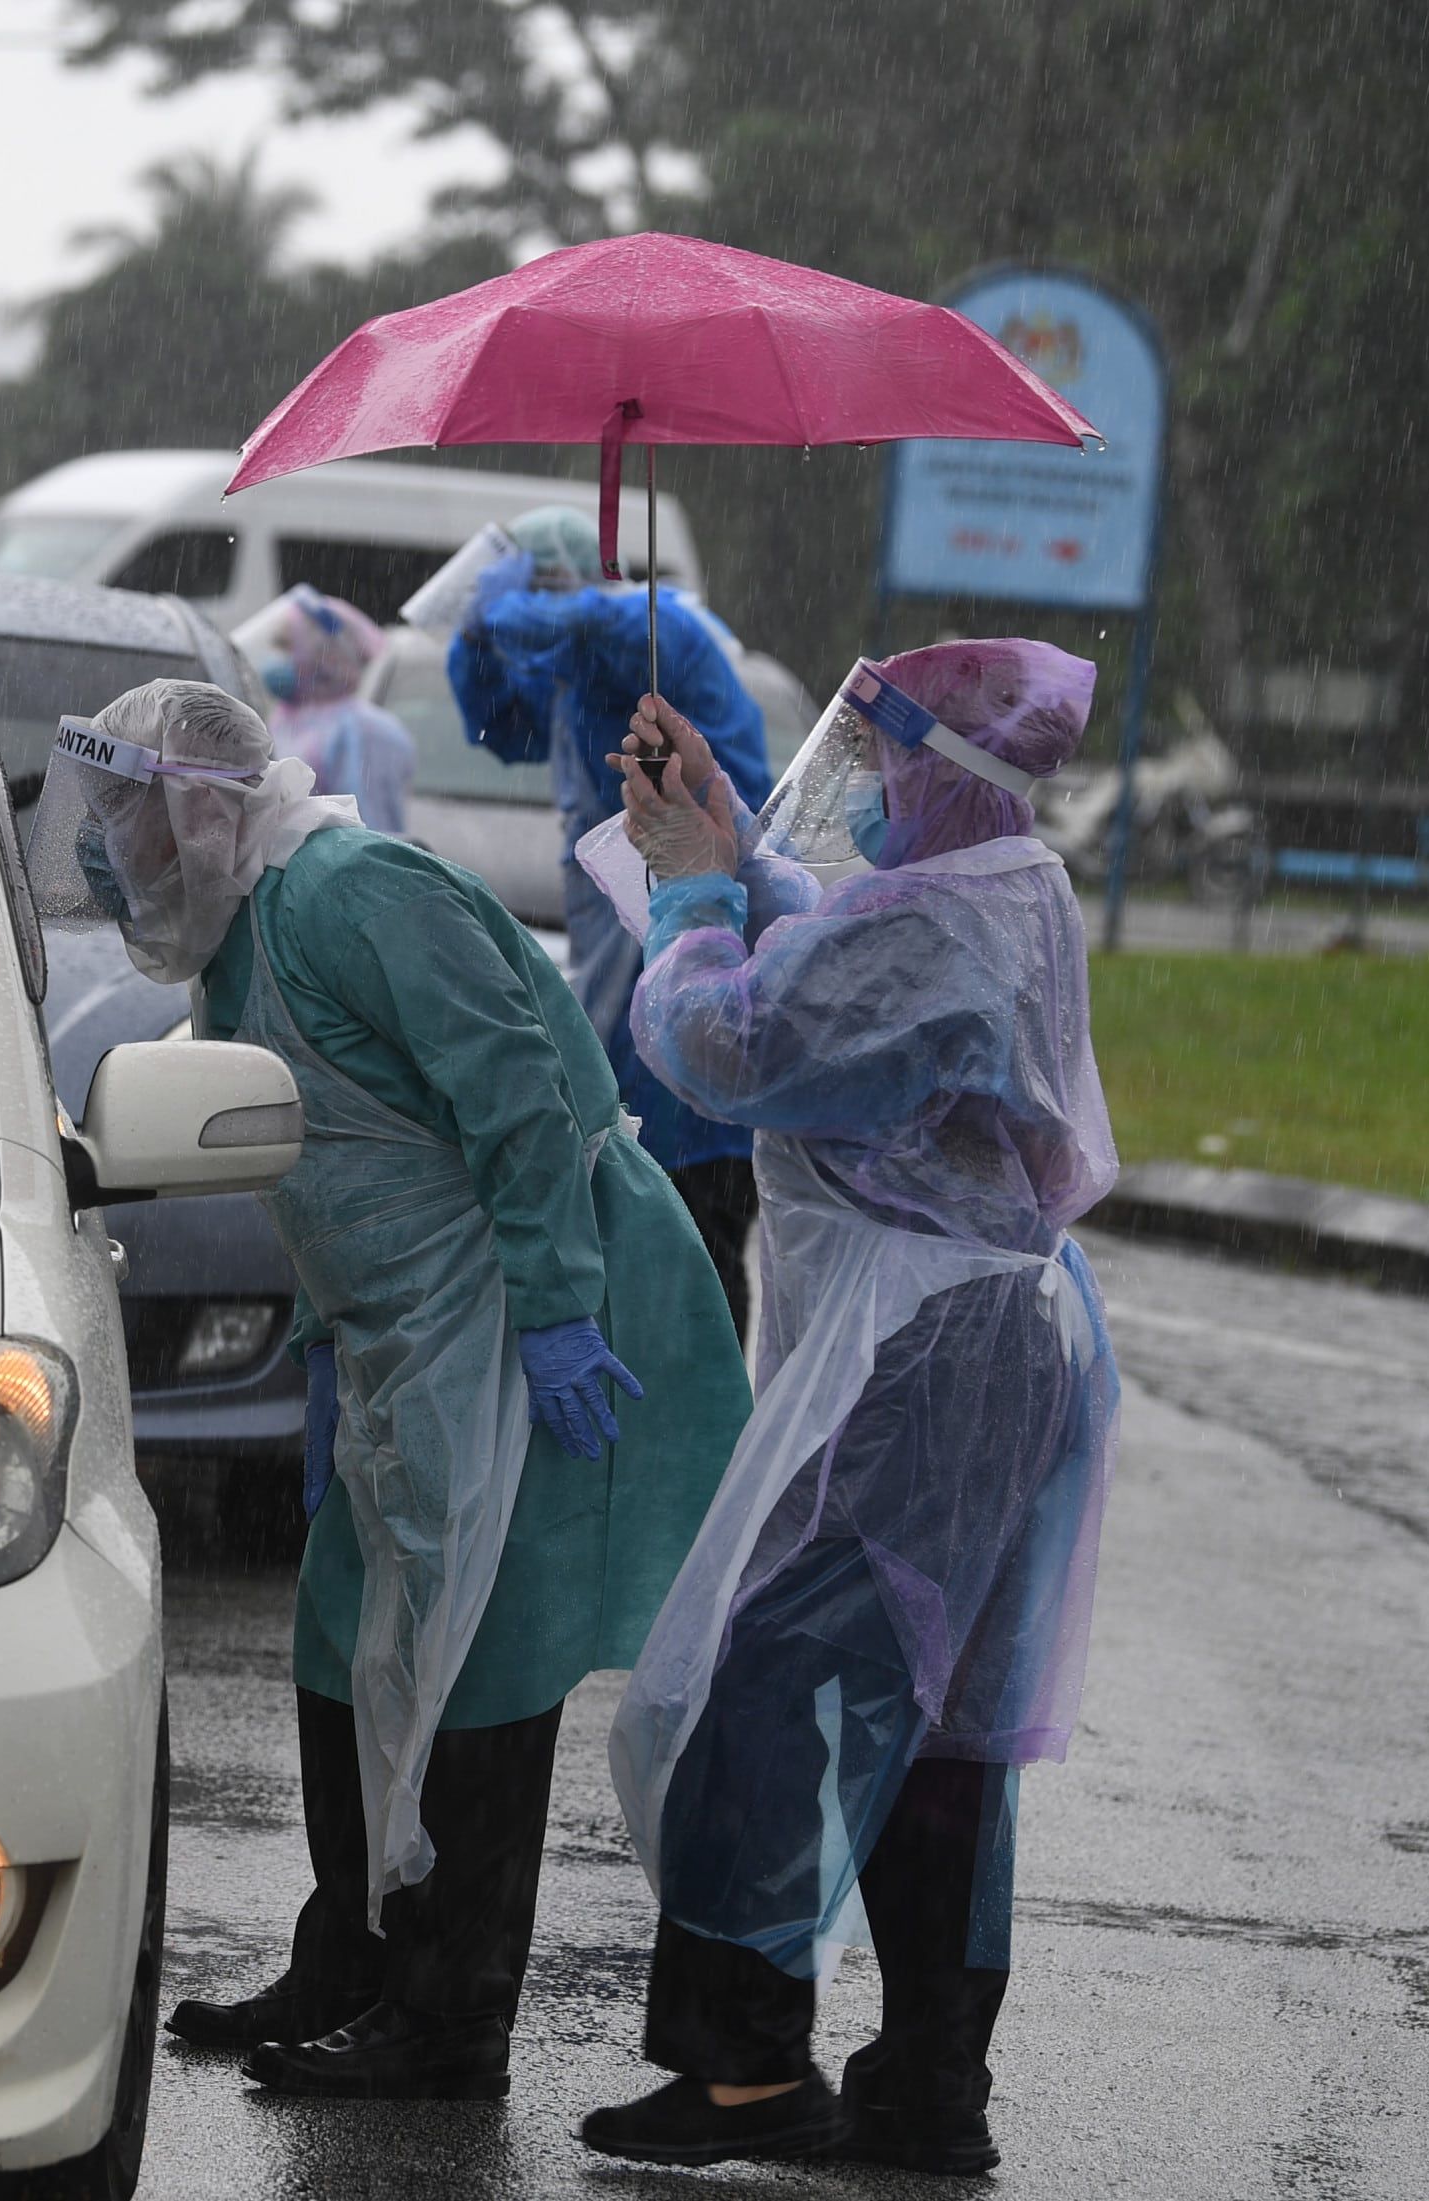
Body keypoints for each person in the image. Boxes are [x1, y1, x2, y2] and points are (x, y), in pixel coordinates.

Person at [39, 681, 749, 2101]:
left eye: (127, 812)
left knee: (485, 1650)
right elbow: (333, 1156)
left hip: (522, 1300)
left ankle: (449, 2017)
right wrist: (321, 1341)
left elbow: (514, 1092)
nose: (107, 849)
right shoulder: (243, 932)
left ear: (201, 809)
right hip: (402, 1326)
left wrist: (557, 1311)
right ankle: (352, 1957)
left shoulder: (356, 894)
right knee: (344, 1634)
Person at [577, 642, 1124, 2175]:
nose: (865, 788)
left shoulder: (939, 918)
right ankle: (929, 2085)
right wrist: (728, 846)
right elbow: (838, 963)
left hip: (915, 1353)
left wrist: (691, 895)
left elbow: (733, 1043)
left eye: (883, 762)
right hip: (986, 1338)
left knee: (761, 1679)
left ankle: (745, 2067)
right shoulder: (1000, 882)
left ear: (943, 772)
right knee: (934, 1719)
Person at [445, 508, 773, 1333]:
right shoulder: (585, 665)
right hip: (629, 929)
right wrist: (473, 638)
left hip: (687, 907)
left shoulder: (649, 631)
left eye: (534, 585)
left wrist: (500, 606)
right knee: (643, 1232)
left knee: (695, 1240)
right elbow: (498, 724)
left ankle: (704, 1401)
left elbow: (582, 620)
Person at [233, 584, 418, 833]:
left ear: (325, 655)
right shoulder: (286, 715)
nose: (274, 658)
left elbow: (369, 832)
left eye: (286, 646)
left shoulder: (365, 730)